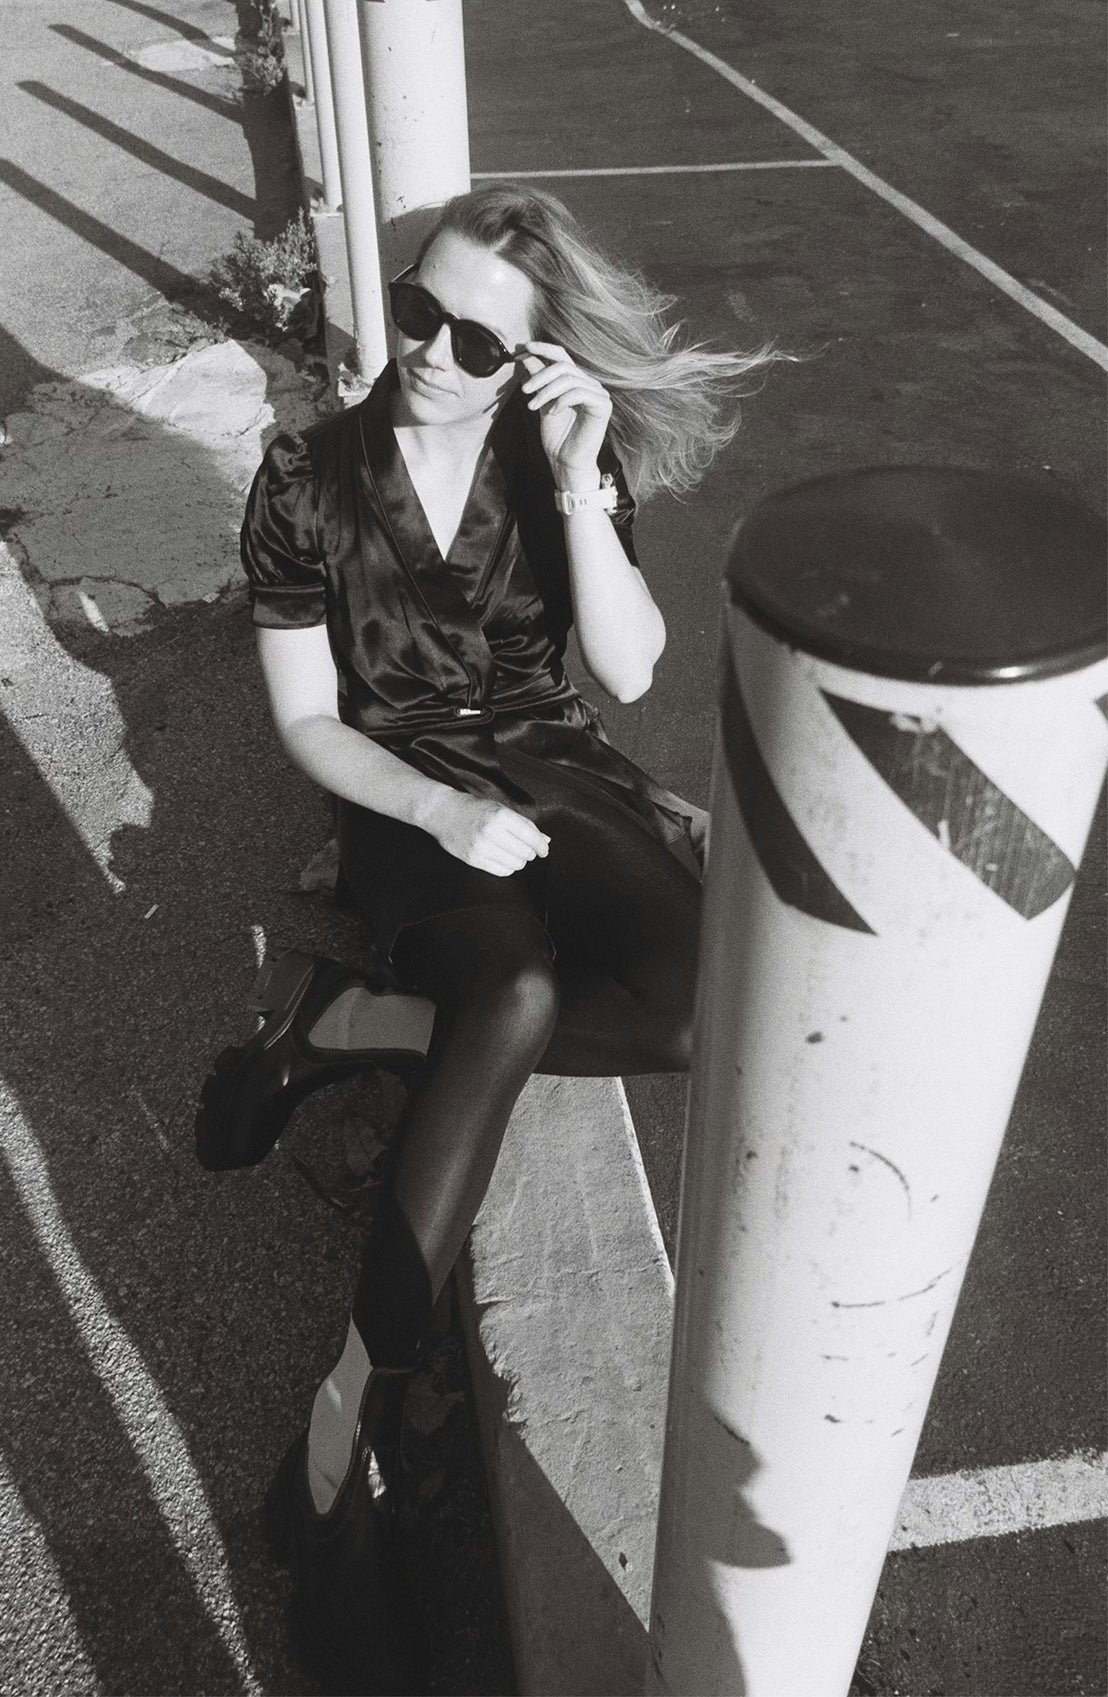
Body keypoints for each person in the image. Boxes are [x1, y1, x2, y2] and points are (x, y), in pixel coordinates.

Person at [195, 181, 772, 1695]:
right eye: (417, 309)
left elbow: (633, 676)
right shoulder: (306, 479)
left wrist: (585, 482)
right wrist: (439, 822)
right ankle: (339, 1440)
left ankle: (342, 1027)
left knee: (699, 1010)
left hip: (556, 762)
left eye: (475, 337)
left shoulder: (545, 453)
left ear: (531, 359)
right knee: (508, 990)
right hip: (403, 795)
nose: (432, 351)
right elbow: (312, 722)